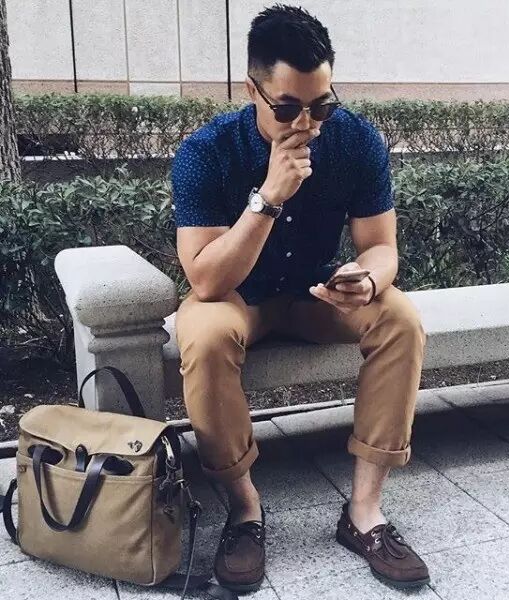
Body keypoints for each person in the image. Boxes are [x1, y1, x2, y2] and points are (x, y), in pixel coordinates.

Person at [172, 3, 429, 593]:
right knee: (204, 334)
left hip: (318, 294)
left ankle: (364, 513)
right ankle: (245, 513)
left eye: (322, 105)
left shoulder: (355, 140)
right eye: (288, 108)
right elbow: (205, 279)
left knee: (400, 318)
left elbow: (381, 247)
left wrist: (367, 279)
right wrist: (269, 197)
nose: (308, 123)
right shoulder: (207, 151)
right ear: (252, 91)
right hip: (238, 298)